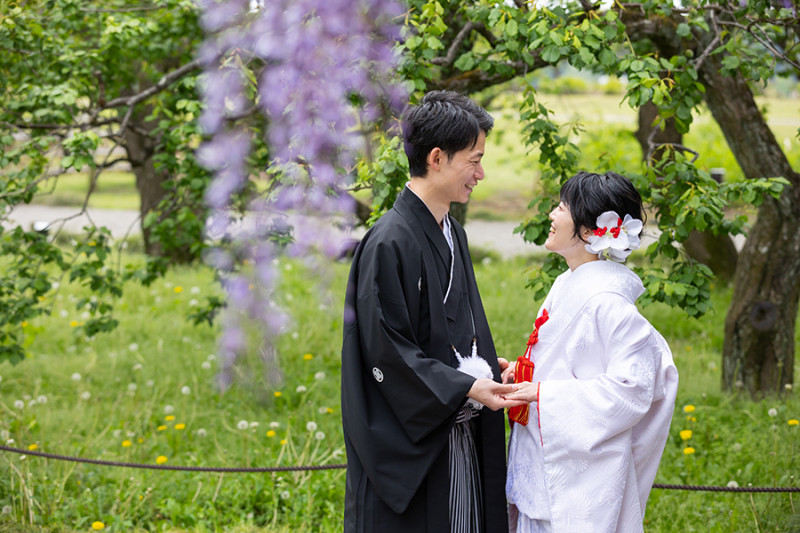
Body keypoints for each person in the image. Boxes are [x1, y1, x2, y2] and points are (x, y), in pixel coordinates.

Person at [341, 91, 520, 533]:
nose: (481, 174)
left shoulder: (452, 233)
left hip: (455, 421)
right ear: (437, 157)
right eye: (473, 160)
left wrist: (481, 372)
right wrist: (463, 384)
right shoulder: (389, 241)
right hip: (415, 436)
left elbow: (456, 327)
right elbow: (386, 352)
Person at [502, 171, 679, 533]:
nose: (551, 214)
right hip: (543, 464)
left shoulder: (608, 302)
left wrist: (542, 392)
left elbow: (633, 389)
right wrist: (522, 375)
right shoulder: (568, 281)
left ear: (588, 230)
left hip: (572, 483)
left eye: (563, 207)